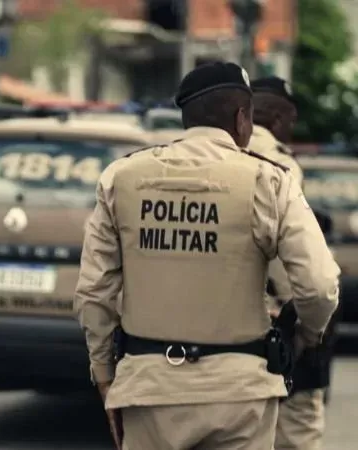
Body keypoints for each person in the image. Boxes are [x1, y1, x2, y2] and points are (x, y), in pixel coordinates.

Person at [74, 61, 341, 450]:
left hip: (150, 389)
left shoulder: (121, 178)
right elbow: (318, 287)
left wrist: (104, 373)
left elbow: (94, 292)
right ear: (242, 117)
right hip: (239, 394)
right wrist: (305, 337)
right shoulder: (269, 180)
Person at [250, 75, 341, 450]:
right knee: (298, 423)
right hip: (276, 318)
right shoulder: (280, 164)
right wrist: (308, 328)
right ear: (274, 117)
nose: (290, 129)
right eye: (289, 121)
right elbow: (299, 268)